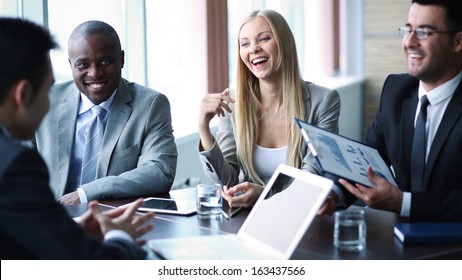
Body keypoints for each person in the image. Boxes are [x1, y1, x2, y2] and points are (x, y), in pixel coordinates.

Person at [0, 17, 155, 259]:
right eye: (47, 91)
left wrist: (63, 235)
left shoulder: (149, 103)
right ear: (24, 94)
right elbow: (96, 263)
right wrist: (120, 237)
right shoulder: (14, 166)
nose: (49, 103)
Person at [197, 9, 341, 212]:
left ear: (284, 44)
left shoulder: (324, 101)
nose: (253, 49)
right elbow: (227, 179)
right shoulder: (233, 103)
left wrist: (265, 195)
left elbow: (312, 177)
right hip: (247, 218)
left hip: (300, 213)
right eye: (245, 43)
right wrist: (203, 127)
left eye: (263, 39)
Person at [338, 0, 462, 221]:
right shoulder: (395, 90)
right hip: (397, 238)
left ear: (458, 41)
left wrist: (402, 202)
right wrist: (332, 195)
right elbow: (365, 161)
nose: (409, 42)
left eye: (423, 32)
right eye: (408, 30)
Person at [31, 20, 178, 205]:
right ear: (71, 65)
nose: (95, 73)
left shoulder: (150, 105)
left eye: (105, 62)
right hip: (51, 219)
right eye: (83, 65)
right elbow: (17, 165)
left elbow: (159, 171)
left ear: (121, 59)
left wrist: (85, 194)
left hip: (116, 220)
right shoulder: (47, 100)